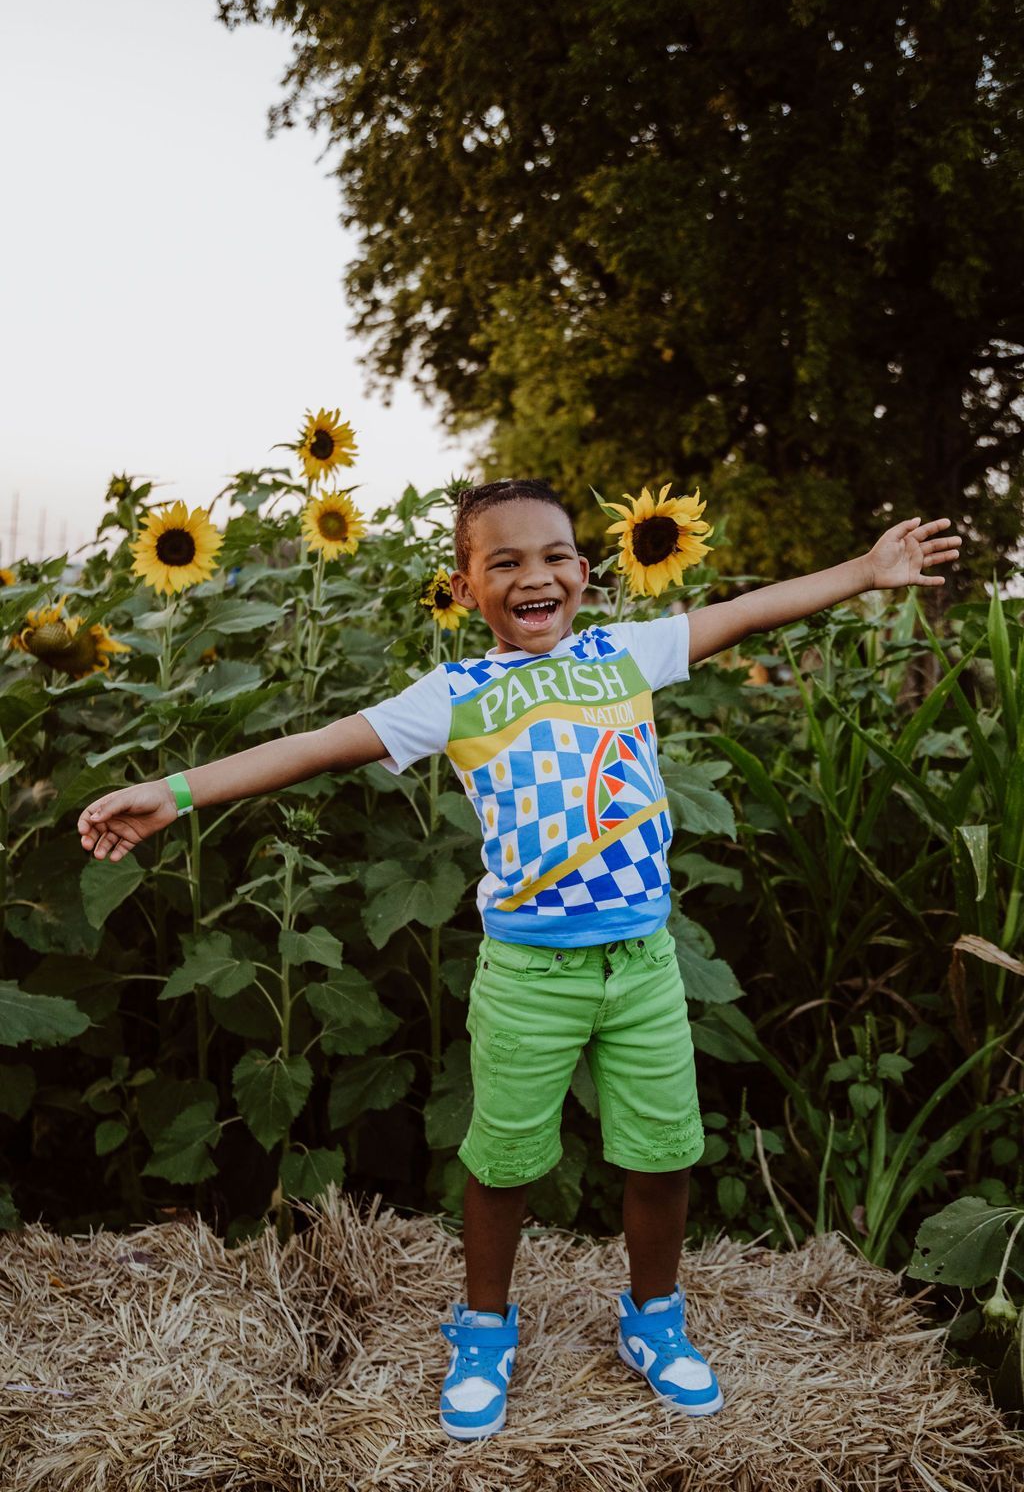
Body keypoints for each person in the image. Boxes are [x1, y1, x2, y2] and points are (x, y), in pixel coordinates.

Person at [78, 478, 960, 1441]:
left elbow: (744, 610)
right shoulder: (453, 695)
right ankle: (485, 1326)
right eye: (503, 562)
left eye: (553, 557)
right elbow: (317, 745)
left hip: (643, 965)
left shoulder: (624, 654)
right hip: (530, 977)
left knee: (663, 1154)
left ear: (584, 573)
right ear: (463, 588)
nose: (533, 576)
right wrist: (176, 790)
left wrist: (867, 573)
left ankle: (653, 1318)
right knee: (501, 1163)